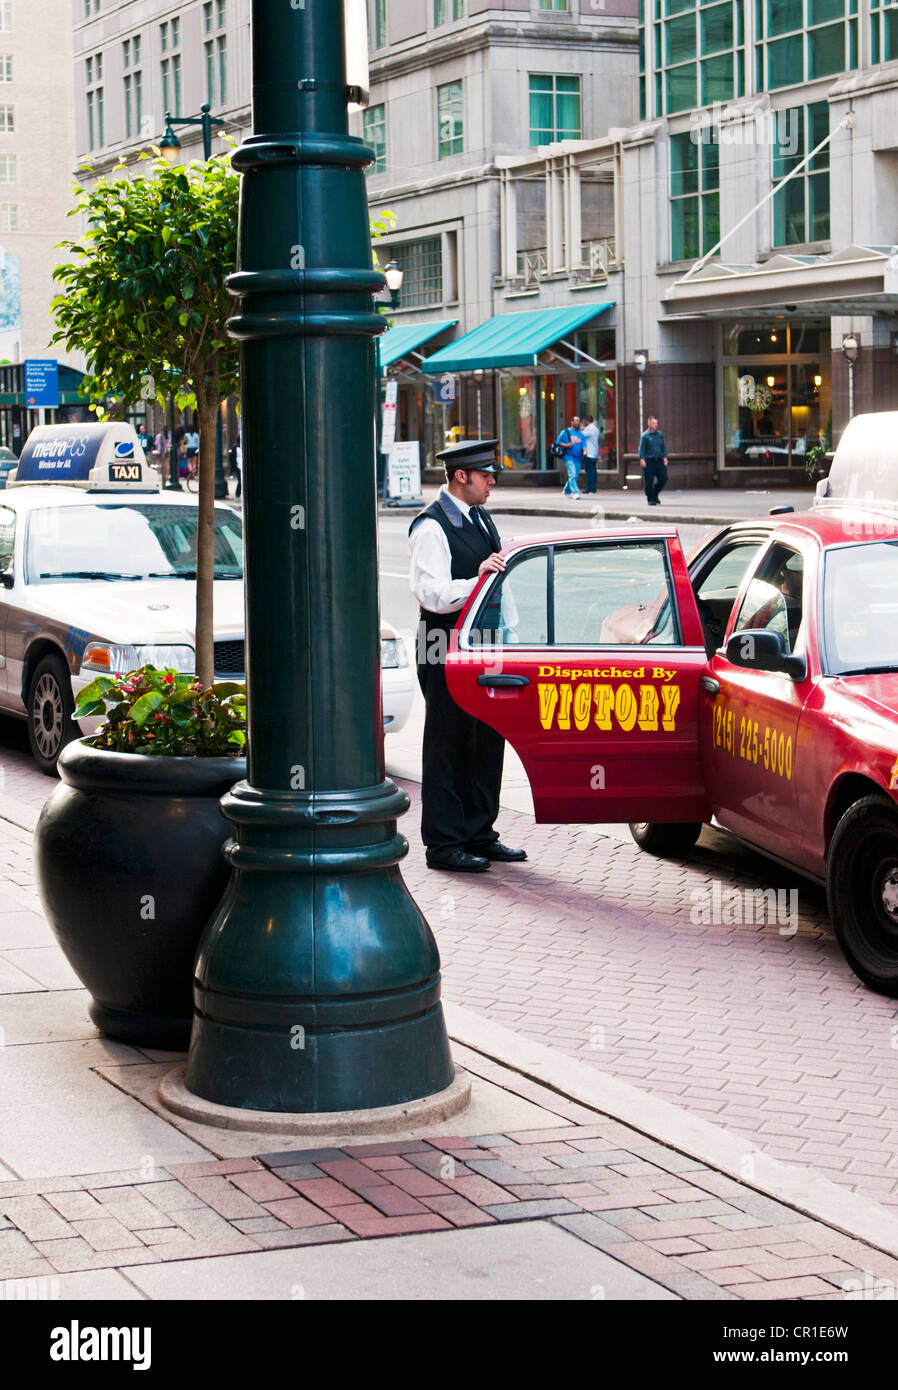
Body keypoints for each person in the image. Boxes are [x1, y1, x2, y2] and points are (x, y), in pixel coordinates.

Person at [408, 439, 527, 873]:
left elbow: (499, 585)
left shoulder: (480, 516)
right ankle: (443, 845)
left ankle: (480, 833)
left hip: (485, 645)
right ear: (462, 476)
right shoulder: (431, 526)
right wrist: (473, 582)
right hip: (443, 644)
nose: (492, 480)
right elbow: (431, 593)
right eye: (485, 474)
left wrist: (510, 634)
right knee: (447, 743)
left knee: (485, 739)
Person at [638, 415, 668, 506]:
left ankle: (655, 493)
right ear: (649, 424)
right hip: (649, 460)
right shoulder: (645, 436)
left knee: (664, 477)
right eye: (654, 423)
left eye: (656, 423)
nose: (656, 425)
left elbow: (663, 446)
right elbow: (641, 449)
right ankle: (650, 499)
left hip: (659, 460)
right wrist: (642, 459)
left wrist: (665, 457)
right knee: (649, 480)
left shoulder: (659, 434)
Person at [555, 415, 586, 498]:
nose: (577, 422)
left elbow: (584, 445)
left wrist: (585, 451)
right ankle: (575, 492)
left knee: (575, 475)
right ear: (572, 422)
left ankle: (566, 490)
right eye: (576, 421)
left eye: (578, 421)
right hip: (568, 456)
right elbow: (557, 443)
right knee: (572, 474)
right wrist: (567, 445)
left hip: (578, 458)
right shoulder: (565, 432)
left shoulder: (581, 434)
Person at [582, 414, 600, 494]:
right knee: (593, 471)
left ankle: (590, 489)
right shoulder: (596, 429)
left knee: (589, 472)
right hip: (595, 453)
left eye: (584, 421)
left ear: (586, 421)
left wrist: (581, 429)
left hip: (589, 453)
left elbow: (581, 436)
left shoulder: (588, 429)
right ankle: (593, 488)